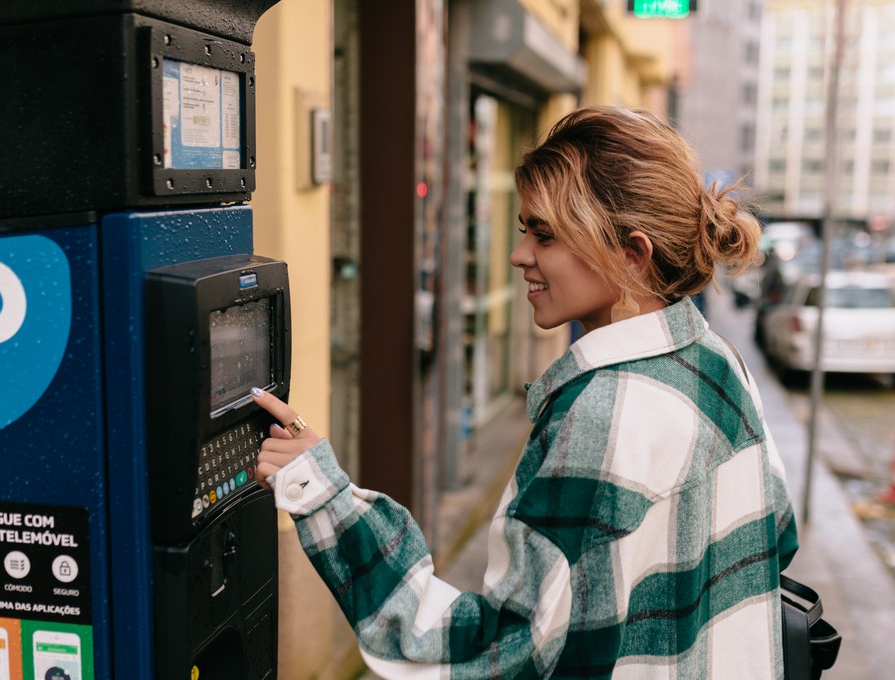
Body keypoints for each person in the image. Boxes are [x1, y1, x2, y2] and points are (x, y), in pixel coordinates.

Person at [251, 105, 798, 679]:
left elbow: (498, 654)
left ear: (632, 256)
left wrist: (320, 494)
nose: (519, 255)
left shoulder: (607, 415)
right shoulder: (716, 363)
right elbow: (775, 538)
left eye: (545, 235)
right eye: (524, 231)